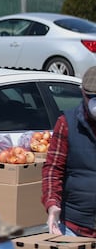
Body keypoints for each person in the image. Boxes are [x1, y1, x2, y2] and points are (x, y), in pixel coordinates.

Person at [42, 65, 96, 237]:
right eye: (91, 97)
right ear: (83, 94)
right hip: (76, 224)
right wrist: (52, 205)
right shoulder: (67, 123)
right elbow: (53, 169)